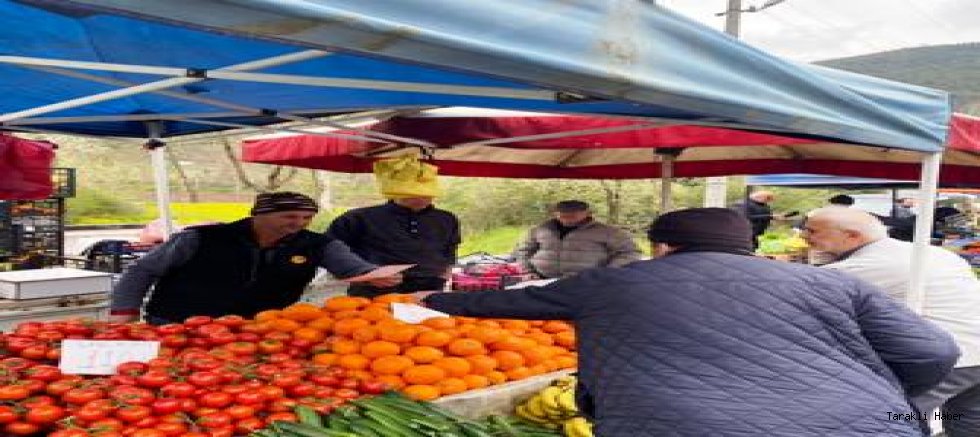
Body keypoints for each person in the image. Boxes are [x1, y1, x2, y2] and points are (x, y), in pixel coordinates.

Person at [415, 208, 958, 436]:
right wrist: (867, 393)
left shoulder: (619, 282)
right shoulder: (833, 282)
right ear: (749, 245)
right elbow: (935, 353)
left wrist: (431, 301)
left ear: (662, 245)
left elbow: (513, 304)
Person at [803, 207, 980, 437]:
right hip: (972, 350)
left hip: (953, 359)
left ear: (852, 235)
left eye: (812, 231)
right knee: (967, 420)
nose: (804, 237)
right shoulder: (929, 253)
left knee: (893, 419)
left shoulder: (868, 265)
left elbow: (800, 289)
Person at [110, 192, 402, 324]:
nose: (299, 223)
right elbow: (141, 271)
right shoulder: (201, 238)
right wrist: (124, 312)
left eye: (306, 217)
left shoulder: (318, 245)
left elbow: (354, 269)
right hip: (178, 324)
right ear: (259, 215)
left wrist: (378, 276)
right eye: (289, 216)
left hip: (257, 330)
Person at [327, 157, 460, 297]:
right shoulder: (358, 218)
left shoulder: (447, 219)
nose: (422, 197)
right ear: (394, 191)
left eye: (427, 193)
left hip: (429, 290)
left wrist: (444, 275)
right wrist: (364, 273)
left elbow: (450, 250)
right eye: (412, 193)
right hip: (373, 293)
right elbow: (328, 251)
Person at [513, 200, 640, 279]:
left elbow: (630, 253)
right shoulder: (540, 229)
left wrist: (607, 273)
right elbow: (523, 251)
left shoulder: (609, 232)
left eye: (573, 215)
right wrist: (527, 271)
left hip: (586, 282)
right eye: (562, 215)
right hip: (541, 280)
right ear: (555, 214)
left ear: (587, 213)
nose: (567, 218)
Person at [731, 190, 795, 250]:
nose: (768, 201)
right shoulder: (743, 204)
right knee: (747, 249)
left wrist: (775, 217)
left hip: (757, 233)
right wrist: (770, 216)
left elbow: (765, 216)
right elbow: (745, 217)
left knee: (755, 249)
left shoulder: (763, 205)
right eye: (767, 199)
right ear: (759, 196)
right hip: (746, 232)